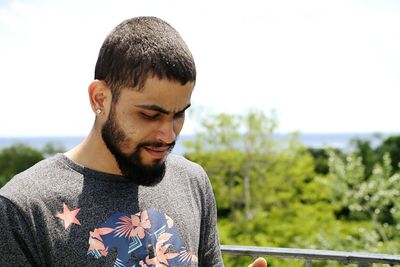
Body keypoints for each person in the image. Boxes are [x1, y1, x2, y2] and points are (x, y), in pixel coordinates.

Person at [0, 16, 266, 267]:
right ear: (100, 99)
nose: (168, 135)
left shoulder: (192, 182)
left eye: (179, 114)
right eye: (150, 115)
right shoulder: (22, 209)